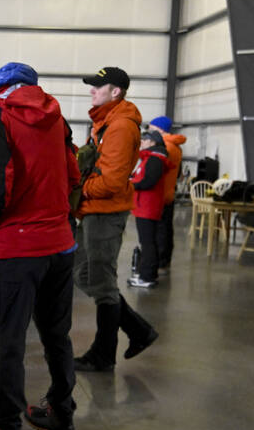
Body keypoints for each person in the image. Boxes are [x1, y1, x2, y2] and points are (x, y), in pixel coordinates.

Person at [0, 63, 79, 430]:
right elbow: (74, 174)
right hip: (60, 244)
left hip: (17, 248)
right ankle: (61, 415)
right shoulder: (55, 114)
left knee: (8, 343)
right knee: (56, 335)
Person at [72, 67, 156, 372]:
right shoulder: (105, 122)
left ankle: (103, 354)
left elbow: (111, 181)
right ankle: (137, 329)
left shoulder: (120, 127)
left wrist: (80, 189)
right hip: (93, 211)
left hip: (105, 213)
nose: (92, 90)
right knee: (83, 273)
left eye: (98, 86)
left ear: (115, 91)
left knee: (102, 281)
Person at [127, 130, 171, 289]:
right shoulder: (149, 158)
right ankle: (147, 273)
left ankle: (147, 276)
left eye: (145, 140)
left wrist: (131, 185)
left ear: (153, 142)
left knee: (147, 242)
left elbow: (148, 182)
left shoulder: (155, 159)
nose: (142, 142)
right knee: (147, 241)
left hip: (148, 206)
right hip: (144, 205)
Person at [148, 116, 186, 273]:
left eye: (151, 128)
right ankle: (164, 261)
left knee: (160, 230)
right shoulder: (176, 147)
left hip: (160, 193)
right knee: (166, 228)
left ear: (160, 129)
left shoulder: (165, 148)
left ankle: (160, 262)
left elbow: (155, 169)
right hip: (169, 192)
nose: (149, 131)